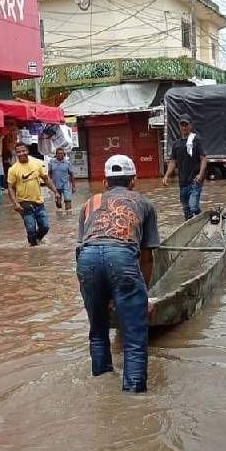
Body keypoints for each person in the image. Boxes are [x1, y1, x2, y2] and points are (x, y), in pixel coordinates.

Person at [76, 154, 161, 393]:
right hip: (122, 258)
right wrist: (142, 296)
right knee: (134, 339)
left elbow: (80, 248)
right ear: (134, 181)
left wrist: (97, 291)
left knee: (98, 331)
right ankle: (133, 396)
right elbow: (146, 257)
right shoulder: (143, 203)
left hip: (87, 260)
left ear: (105, 183)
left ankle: (101, 385)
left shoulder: (89, 204)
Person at [7, 143, 59, 246]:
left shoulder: (37, 164)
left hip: (39, 203)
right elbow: (10, 188)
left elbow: (46, 179)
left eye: (23, 151)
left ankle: (37, 242)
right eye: (19, 152)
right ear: (16, 154)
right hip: (24, 205)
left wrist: (55, 192)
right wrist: (15, 203)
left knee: (45, 227)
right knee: (31, 230)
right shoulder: (13, 169)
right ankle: (33, 250)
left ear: (27, 151)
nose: (21, 153)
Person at [162, 119, 208, 220]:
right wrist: (166, 175)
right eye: (182, 125)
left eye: (186, 125)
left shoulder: (196, 141)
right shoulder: (176, 144)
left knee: (193, 207)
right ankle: (191, 230)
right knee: (187, 211)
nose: (184, 127)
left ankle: (204, 219)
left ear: (190, 126)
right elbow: (173, 162)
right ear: (179, 126)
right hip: (182, 182)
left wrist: (200, 174)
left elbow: (203, 158)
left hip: (195, 181)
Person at [47, 147, 76, 211]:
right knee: (58, 203)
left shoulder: (67, 163)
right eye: (59, 153)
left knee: (68, 200)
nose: (61, 155)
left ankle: (68, 217)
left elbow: (72, 174)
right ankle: (60, 214)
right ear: (56, 154)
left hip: (66, 185)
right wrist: (49, 184)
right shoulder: (51, 162)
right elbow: (49, 173)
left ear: (64, 154)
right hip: (55, 185)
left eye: (62, 154)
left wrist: (73, 186)